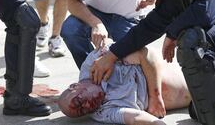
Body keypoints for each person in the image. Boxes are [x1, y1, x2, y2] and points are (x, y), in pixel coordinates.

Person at [58, 42, 191, 124]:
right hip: (196, 94)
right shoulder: (101, 112)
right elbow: (134, 118)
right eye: (83, 111)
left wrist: (155, 96)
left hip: (184, 63)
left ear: (74, 86)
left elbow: (144, 54)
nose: (87, 106)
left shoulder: (93, 63)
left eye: (79, 102)